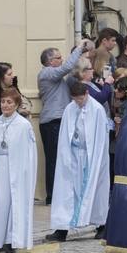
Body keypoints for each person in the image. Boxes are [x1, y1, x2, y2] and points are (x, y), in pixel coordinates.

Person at [49, 81, 111, 243]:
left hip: (91, 156)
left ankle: (101, 225)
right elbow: (65, 133)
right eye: (75, 100)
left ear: (87, 94)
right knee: (67, 189)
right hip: (74, 155)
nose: (78, 103)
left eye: (80, 100)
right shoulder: (70, 109)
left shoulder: (97, 110)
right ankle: (62, 228)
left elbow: (99, 139)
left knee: (94, 188)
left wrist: (96, 159)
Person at [0, 89, 37, 253]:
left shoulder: (23, 125)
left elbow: (28, 153)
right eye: (3, 102)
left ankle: (11, 239)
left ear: (17, 104)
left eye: (9, 102)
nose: (5, 105)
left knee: (13, 203)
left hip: (16, 169)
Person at [38, 41, 91, 208]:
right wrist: (79, 49)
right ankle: (52, 196)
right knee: (53, 159)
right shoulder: (46, 73)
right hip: (52, 122)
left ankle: (60, 193)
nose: (61, 60)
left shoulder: (58, 77)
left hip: (60, 120)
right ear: (49, 61)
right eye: (58, 57)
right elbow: (66, 67)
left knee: (63, 158)